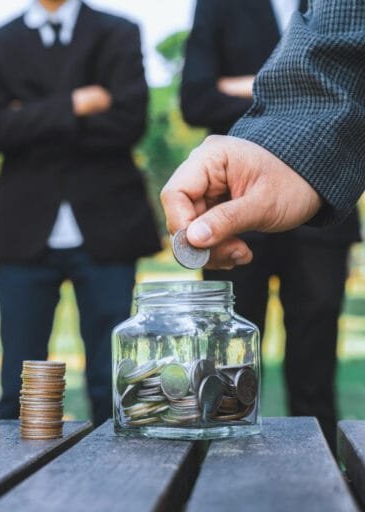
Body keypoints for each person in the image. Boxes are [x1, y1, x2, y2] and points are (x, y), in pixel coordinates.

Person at [179, 0, 361, 447]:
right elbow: (196, 98)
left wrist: (253, 88)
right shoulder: (218, 6)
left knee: (315, 366)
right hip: (234, 210)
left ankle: (322, 479)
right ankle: (221, 469)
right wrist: (296, 91)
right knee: (226, 363)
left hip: (326, 214)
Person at [0, 0, 161, 426]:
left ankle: (126, 485)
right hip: (24, 232)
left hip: (109, 227)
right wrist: (77, 103)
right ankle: (11, 487)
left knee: (113, 381)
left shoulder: (119, 31)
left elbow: (128, 123)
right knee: (20, 385)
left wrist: (29, 116)